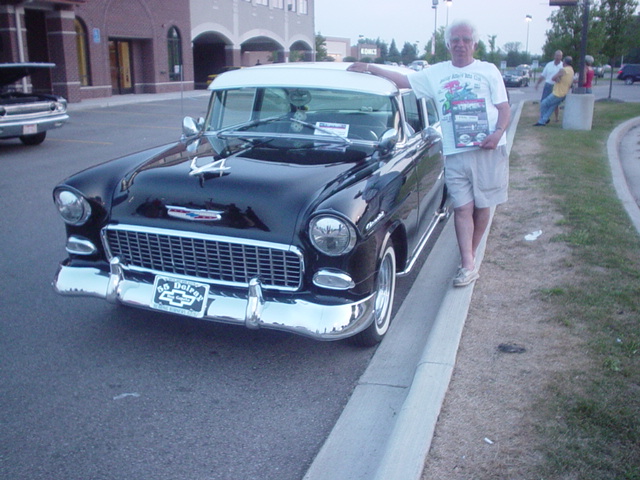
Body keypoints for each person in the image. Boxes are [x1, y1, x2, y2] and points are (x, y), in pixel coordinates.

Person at [348, 19, 510, 287]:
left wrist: (498, 133)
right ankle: (467, 264)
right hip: (456, 152)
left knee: (483, 207)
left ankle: (472, 250)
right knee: (462, 208)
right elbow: (403, 80)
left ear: (474, 44)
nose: (460, 44)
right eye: (455, 40)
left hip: (487, 149)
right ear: (448, 44)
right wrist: (369, 67)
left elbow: (503, 108)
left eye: (465, 40)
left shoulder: (488, 71)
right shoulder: (436, 73)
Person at [533, 56, 574, 126]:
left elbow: (553, 78)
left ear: (564, 62)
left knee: (544, 103)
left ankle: (543, 119)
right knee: (552, 107)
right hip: (564, 92)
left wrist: (557, 78)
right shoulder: (571, 70)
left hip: (558, 93)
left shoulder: (563, 70)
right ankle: (543, 121)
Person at [535, 50, 564, 122]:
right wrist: (537, 84)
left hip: (557, 86)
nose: (557, 57)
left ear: (561, 57)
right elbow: (543, 75)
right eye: (556, 55)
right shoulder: (549, 65)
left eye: (559, 56)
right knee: (543, 102)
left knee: (555, 103)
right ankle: (544, 117)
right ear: (554, 56)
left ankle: (556, 118)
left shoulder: (563, 66)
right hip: (548, 85)